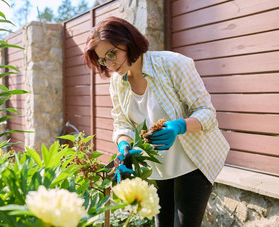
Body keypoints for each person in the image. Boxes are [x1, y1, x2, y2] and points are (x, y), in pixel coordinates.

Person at [83, 16, 230, 227]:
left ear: (129, 41)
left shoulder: (173, 64)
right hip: (159, 168)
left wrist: (179, 126)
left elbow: (207, 112)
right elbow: (122, 122)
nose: (110, 63)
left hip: (193, 163)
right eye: (103, 59)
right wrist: (123, 144)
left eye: (112, 53)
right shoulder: (118, 82)